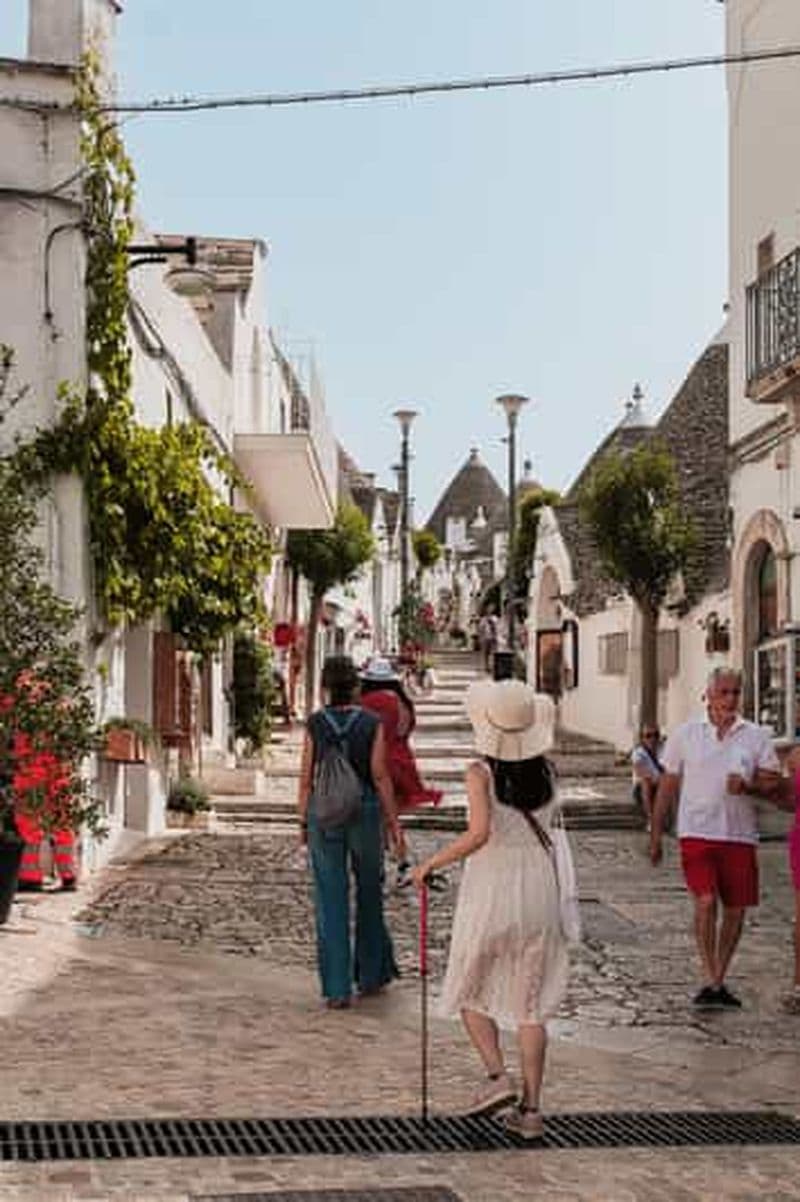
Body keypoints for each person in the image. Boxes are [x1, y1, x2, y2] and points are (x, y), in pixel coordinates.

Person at [411, 679, 569, 1139]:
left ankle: (498, 1076)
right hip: (539, 887)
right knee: (532, 1006)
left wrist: (430, 864)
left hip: (493, 887)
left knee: (468, 986)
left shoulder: (479, 773)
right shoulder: (548, 773)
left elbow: (479, 833)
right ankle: (532, 1112)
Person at [650, 666, 781, 1010]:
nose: (730, 699)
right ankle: (709, 976)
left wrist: (749, 786)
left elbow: (772, 783)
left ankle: (718, 980)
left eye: (736, 692)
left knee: (735, 911)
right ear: (708, 695)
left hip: (739, 834)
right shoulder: (686, 734)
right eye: (724, 692)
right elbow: (668, 784)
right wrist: (655, 832)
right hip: (696, 832)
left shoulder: (756, 736)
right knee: (706, 901)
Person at [297, 655, 406, 1009]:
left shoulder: (315, 724)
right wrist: (394, 824)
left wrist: (303, 822)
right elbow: (380, 775)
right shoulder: (371, 723)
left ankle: (337, 988)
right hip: (365, 812)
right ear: (356, 687)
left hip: (325, 814)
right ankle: (371, 974)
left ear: (326, 687)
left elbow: (305, 779)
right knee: (370, 891)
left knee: (330, 898)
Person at [359, 657, 443, 813]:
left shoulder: (361, 702)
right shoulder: (400, 701)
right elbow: (404, 730)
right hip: (398, 764)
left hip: (365, 763)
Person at [631, 724, 665, 830]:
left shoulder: (663, 749)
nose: (652, 739)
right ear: (642, 738)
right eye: (648, 736)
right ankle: (651, 819)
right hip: (643, 788)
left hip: (662, 784)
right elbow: (640, 770)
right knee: (646, 782)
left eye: (656, 735)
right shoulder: (638, 753)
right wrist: (657, 779)